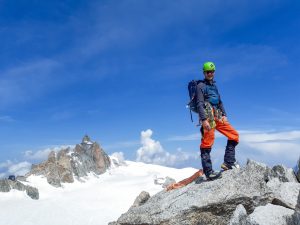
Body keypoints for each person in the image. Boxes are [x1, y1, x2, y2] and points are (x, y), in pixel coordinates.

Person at [196, 61, 239, 180]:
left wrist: (224, 114)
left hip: (218, 115)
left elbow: (220, 101)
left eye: (212, 71)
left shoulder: (214, 86)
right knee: (207, 143)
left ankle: (228, 163)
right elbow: (199, 103)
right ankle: (208, 172)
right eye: (208, 72)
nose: (210, 73)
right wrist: (204, 120)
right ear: (204, 73)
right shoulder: (200, 86)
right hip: (208, 116)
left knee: (234, 135)